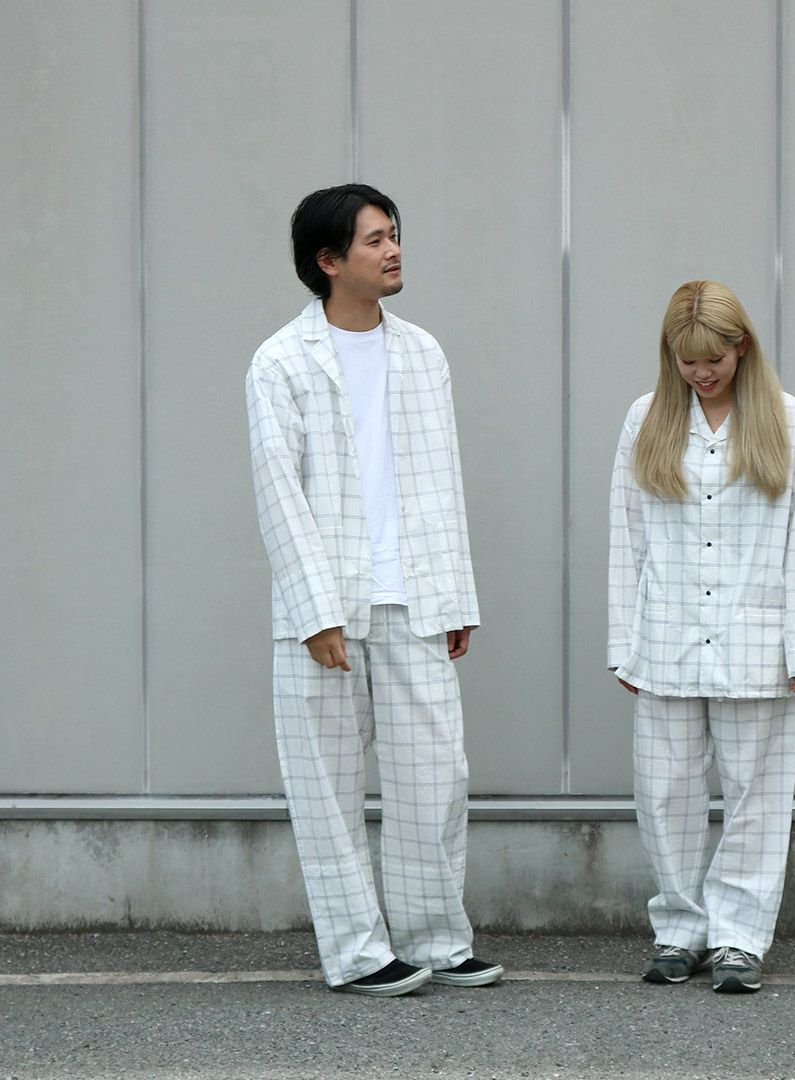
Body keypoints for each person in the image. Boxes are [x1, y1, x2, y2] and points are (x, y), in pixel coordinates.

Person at [246, 183, 501, 997]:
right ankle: (358, 952)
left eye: (394, 234)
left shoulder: (422, 352)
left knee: (436, 777)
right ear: (328, 260)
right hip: (325, 608)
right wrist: (315, 611)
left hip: (415, 597)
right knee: (325, 788)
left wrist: (456, 595)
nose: (393, 251)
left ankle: (436, 940)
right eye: (374, 240)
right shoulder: (281, 361)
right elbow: (278, 492)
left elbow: (443, 482)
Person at [608, 280, 795, 993]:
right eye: (688, 361)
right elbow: (627, 536)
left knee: (755, 796)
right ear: (669, 355)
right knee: (665, 790)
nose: (702, 373)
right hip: (666, 638)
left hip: (757, 640)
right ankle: (680, 929)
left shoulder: (786, 419)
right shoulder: (646, 418)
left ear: (742, 348)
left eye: (714, 359)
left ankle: (739, 937)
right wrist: (624, 644)